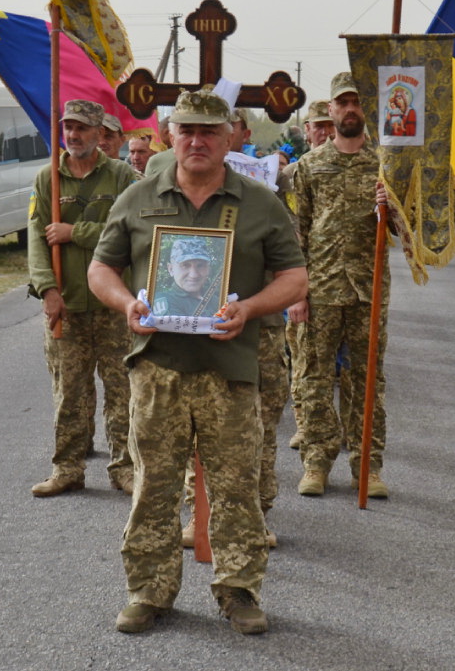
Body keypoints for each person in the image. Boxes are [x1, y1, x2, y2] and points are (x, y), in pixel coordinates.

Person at [87, 88, 307, 635]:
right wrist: (126, 304)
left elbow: (296, 277)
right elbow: (100, 269)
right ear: (170, 135)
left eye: (209, 131)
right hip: (156, 371)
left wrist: (250, 308)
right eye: (186, 130)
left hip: (230, 372)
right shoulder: (138, 199)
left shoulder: (259, 202)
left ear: (230, 136)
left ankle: (239, 592)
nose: (197, 140)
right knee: (153, 488)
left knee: (236, 489)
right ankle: (148, 591)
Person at [290, 72, 394, 500]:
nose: (350, 109)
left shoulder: (384, 166)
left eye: (357, 103)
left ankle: (367, 467)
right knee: (314, 377)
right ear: (330, 112)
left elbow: (408, 236)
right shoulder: (309, 167)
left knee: (366, 379)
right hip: (321, 289)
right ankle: (316, 462)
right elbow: (296, 235)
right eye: (342, 103)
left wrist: (394, 210)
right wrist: (297, 291)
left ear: (366, 110)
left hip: (369, 292)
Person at [28, 99, 138, 498]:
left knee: (122, 391)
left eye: (81, 129)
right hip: (68, 304)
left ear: (99, 134)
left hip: (113, 304)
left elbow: (128, 231)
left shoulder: (124, 177)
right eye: (67, 128)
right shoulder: (47, 178)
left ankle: (124, 468)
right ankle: (68, 468)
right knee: (70, 393)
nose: (72, 136)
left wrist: (77, 232)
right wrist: (47, 289)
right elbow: (37, 239)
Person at [285, 99, 334, 450]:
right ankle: (304, 424)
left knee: (337, 366)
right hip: (298, 276)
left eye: (327, 124)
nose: (324, 132)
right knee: (303, 360)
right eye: (317, 126)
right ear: (307, 131)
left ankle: (332, 426)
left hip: (338, 283)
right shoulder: (291, 173)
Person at [153, 237, 217, 317]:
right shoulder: (164, 301)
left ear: (208, 269)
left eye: (200, 265)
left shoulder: (216, 298)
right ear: (171, 269)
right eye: (185, 265)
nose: (194, 275)